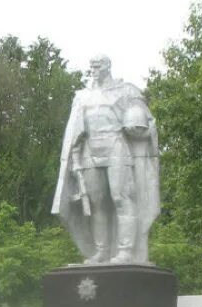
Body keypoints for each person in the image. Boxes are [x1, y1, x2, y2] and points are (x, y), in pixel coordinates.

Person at [52, 55, 160, 264]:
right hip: (89, 150)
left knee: (121, 198)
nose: (93, 69)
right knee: (97, 203)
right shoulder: (82, 96)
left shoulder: (127, 91)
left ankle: (126, 251)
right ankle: (101, 251)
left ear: (108, 66)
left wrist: (143, 131)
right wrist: (74, 159)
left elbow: (145, 120)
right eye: (91, 65)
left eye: (98, 65)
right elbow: (74, 131)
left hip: (116, 146)